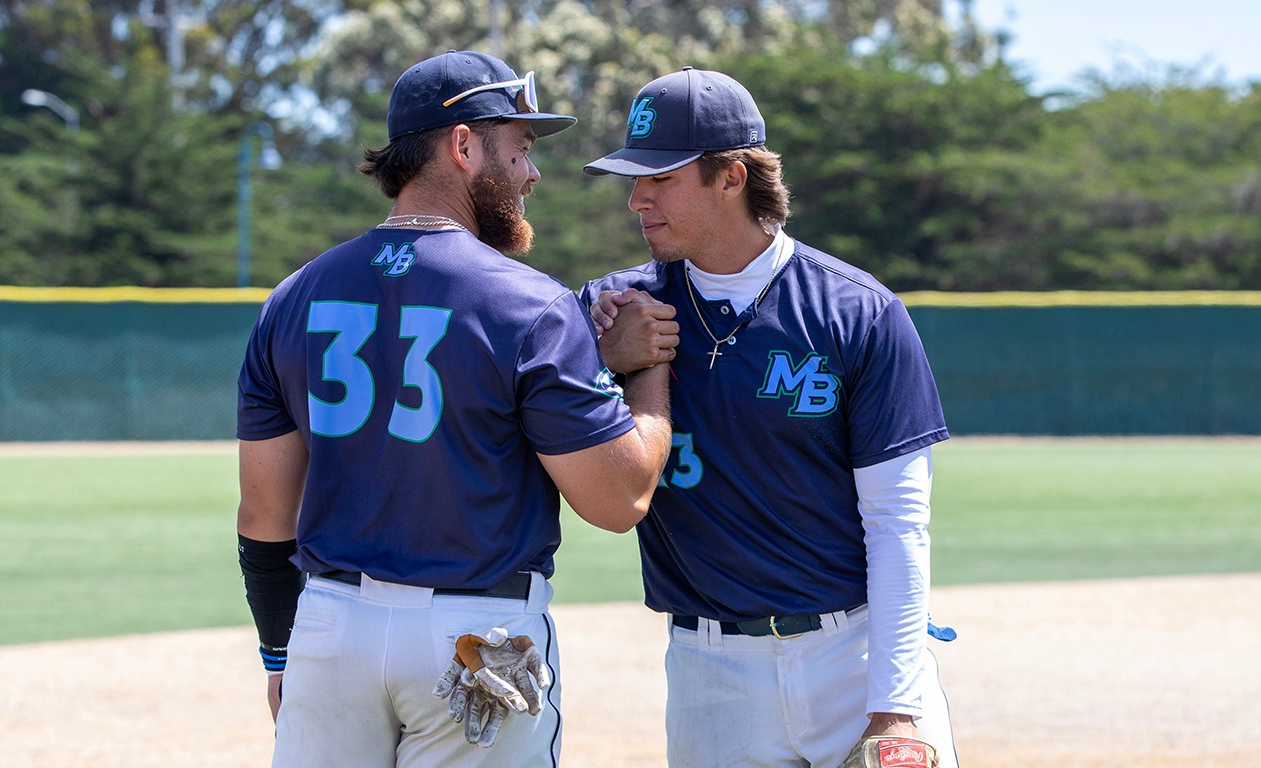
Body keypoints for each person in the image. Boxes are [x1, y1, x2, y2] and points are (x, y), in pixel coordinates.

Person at [235, 50, 673, 768]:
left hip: (328, 632)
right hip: (476, 634)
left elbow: (263, 516)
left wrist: (280, 655)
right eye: (521, 148)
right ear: (463, 146)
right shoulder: (531, 304)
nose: (532, 174)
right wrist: (649, 369)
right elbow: (619, 499)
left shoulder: (293, 296)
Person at [580, 67, 960, 767]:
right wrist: (605, 360)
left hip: (855, 658)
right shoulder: (611, 311)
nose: (637, 199)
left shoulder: (858, 312)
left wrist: (897, 708)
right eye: (635, 180)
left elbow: (898, 523)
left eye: (661, 177)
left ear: (731, 176)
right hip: (709, 670)